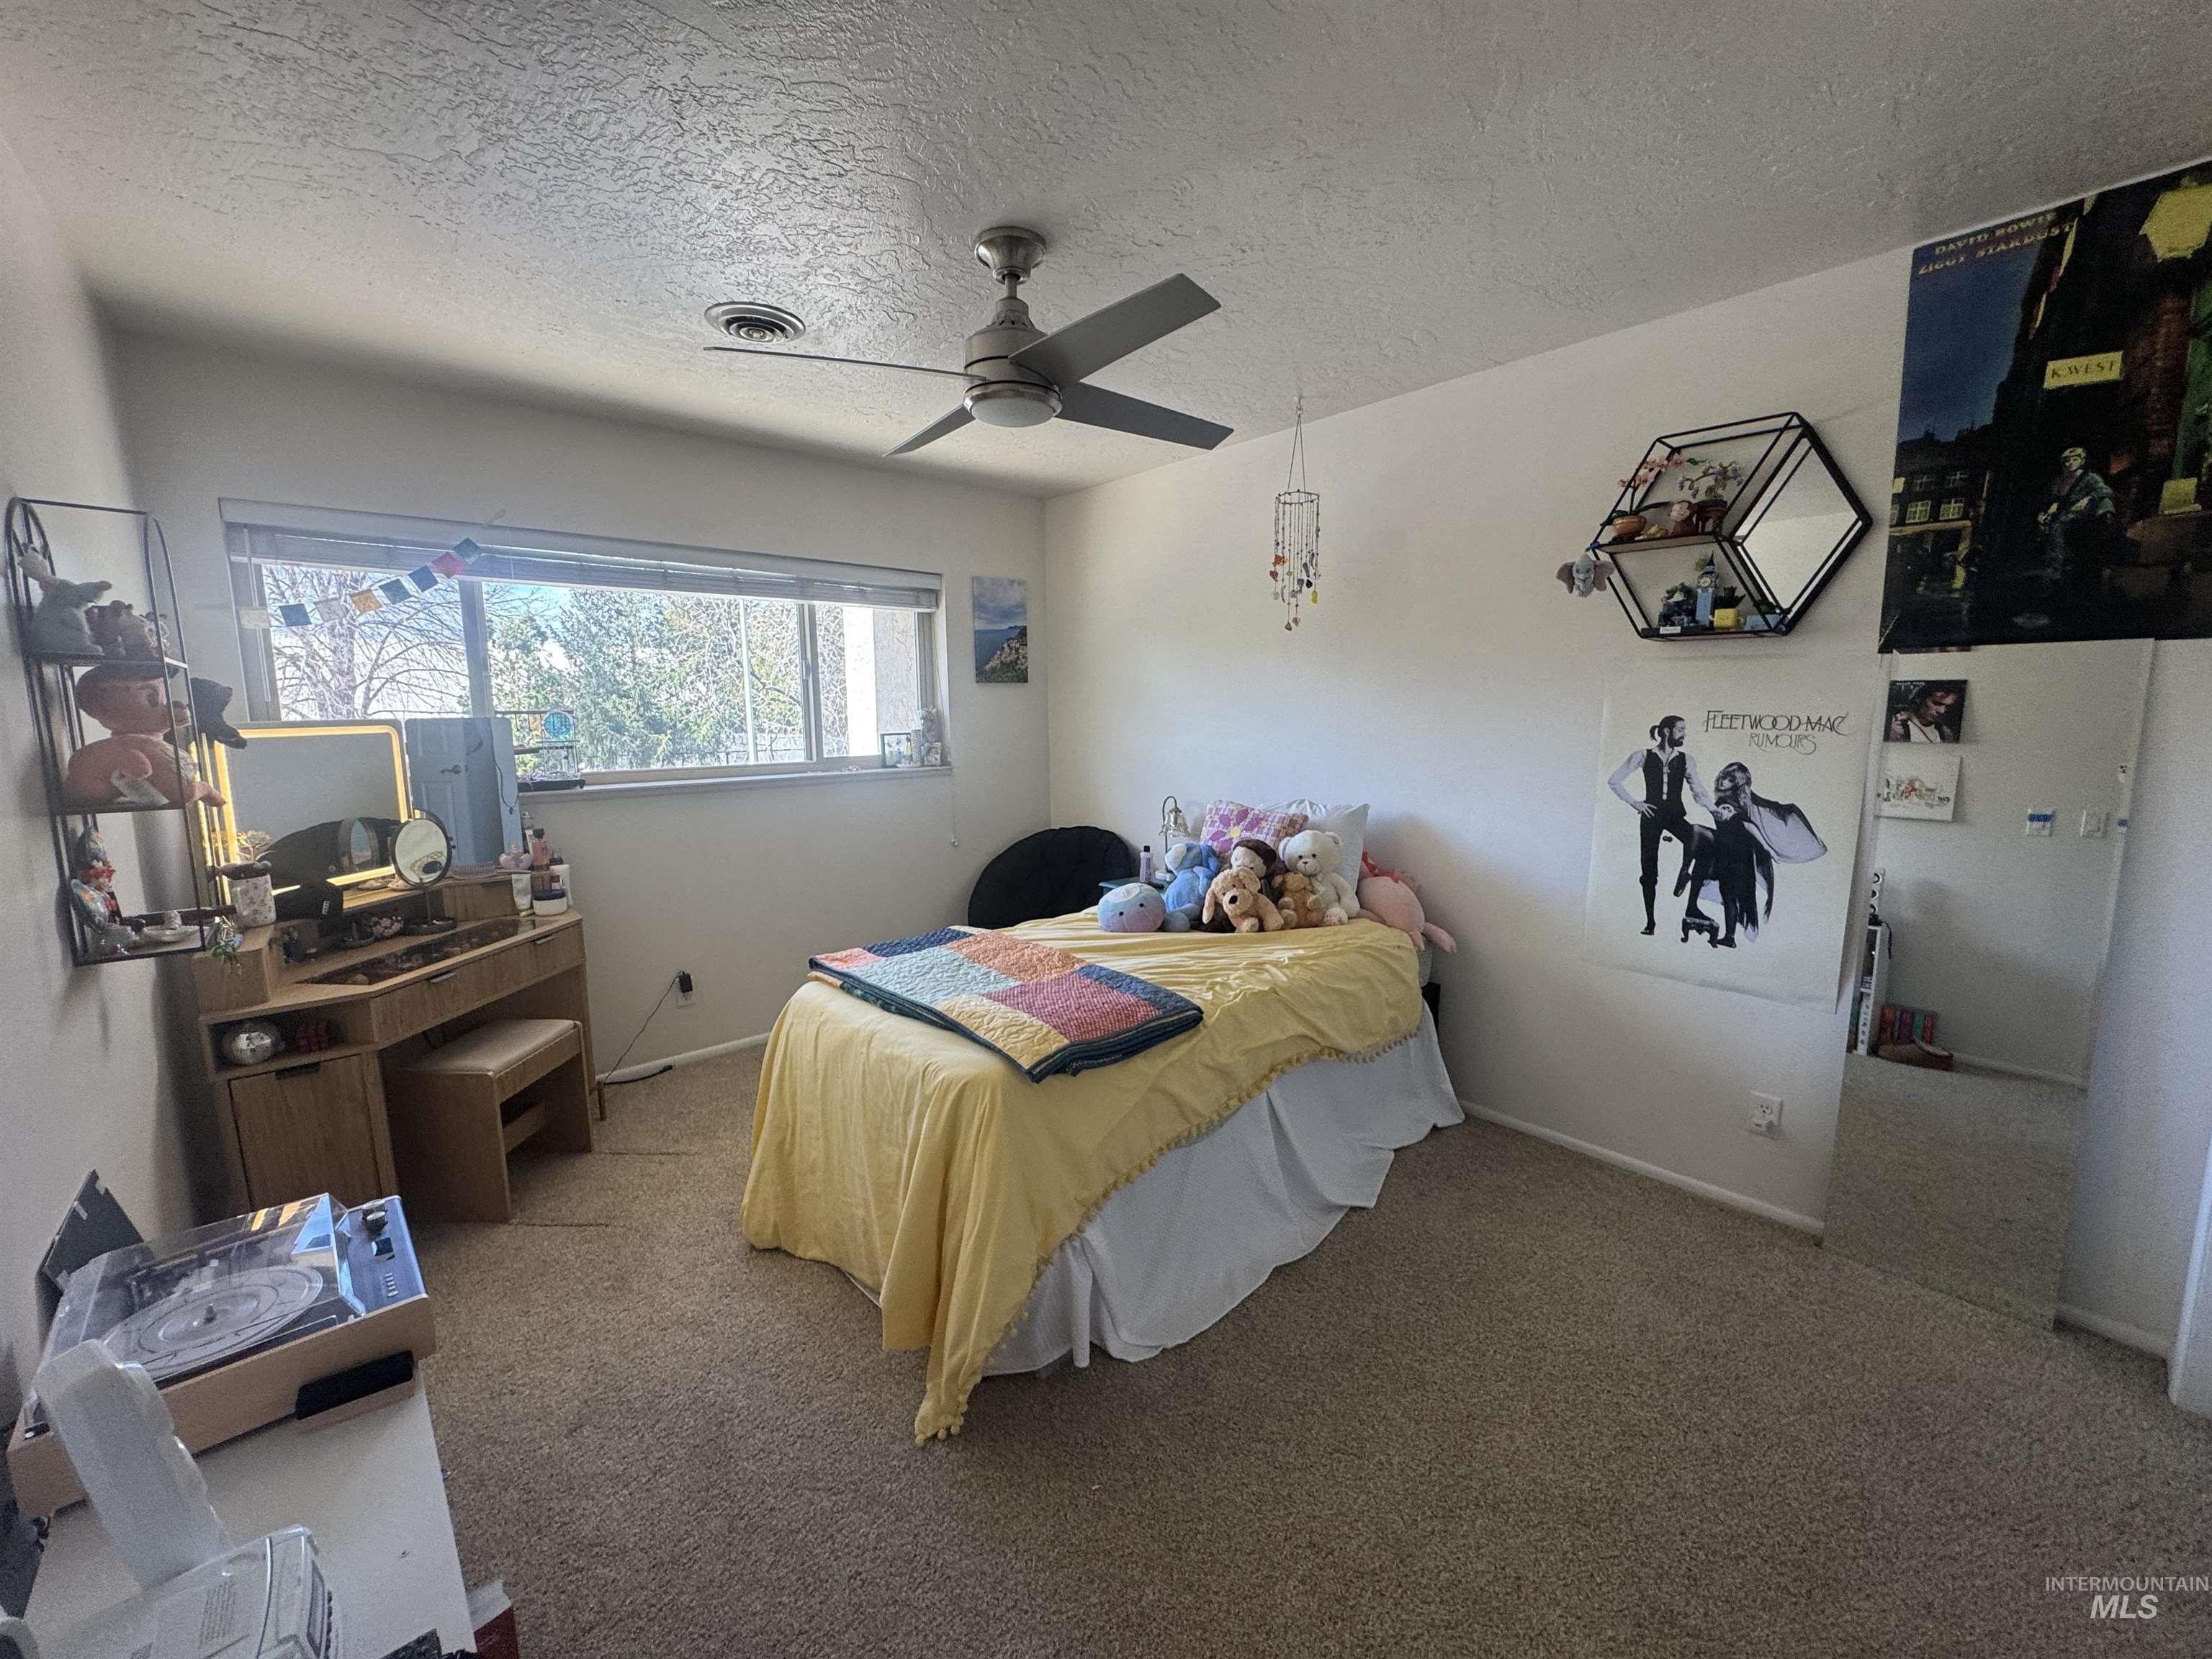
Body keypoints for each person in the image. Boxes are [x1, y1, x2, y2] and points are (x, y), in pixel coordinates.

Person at [1679, 762, 1827, 948]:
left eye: (1730, 779)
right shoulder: (1723, 799)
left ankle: (1728, 935)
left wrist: (1769, 848)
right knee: (1724, 887)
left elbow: (1751, 827)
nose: (1724, 781)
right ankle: (1727, 934)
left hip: (1738, 856)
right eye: (1724, 776)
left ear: (1738, 784)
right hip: (1724, 851)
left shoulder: (1737, 804)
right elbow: (1707, 802)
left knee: (1730, 894)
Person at [1607, 714, 1712, 936]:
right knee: (1649, 870)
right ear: (1667, 731)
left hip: (1674, 816)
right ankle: (1650, 922)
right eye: (1681, 729)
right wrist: (1635, 803)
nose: (1684, 733)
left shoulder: (1687, 760)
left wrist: (1713, 809)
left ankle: (1685, 873)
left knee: (1701, 843)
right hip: (1651, 817)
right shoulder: (1643, 756)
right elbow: (1614, 781)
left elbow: (1698, 791)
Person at [1887, 683, 1960, 743]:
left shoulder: (1945, 733)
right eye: (1936, 703)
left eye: (1947, 707)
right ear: (1920, 699)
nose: (1942, 711)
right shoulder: (1898, 725)